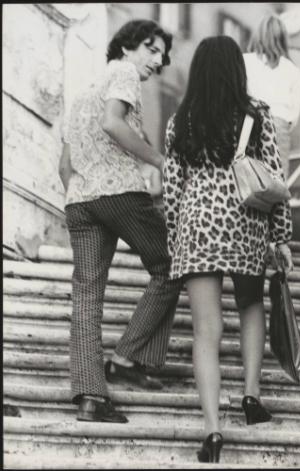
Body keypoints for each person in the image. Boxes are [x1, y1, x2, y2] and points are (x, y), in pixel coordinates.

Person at [162, 36, 294, 463]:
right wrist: (281, 238)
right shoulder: (256, 115)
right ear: (238, 69)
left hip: (197, 224)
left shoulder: (180, 120)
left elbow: (171, 187)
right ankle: (251, 397)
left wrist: (173, 239)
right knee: (251, 305)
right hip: (246, 224)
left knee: (206, 330)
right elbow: (275, 184)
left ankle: (213, 432)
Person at [59, 19, 182, 424]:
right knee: (172, 263)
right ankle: (129, 357)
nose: (157, 59)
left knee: (87, 296)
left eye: (161, 55)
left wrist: (81, 191)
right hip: (119, 194)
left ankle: (91, 396)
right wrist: (159, 160)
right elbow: (113, 123)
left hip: (80, 199)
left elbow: (65, 163)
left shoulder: (81, 95)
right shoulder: (123, 72)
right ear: (127, 46)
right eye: (151, 48)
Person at [243, 14, 300, 178]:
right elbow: (294, 116)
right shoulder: (293, 70)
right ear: (283, 39)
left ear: (258, 35)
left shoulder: (245, 62)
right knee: (278, 187)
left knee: (249, 185)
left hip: (251, 125)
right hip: (279, 129)